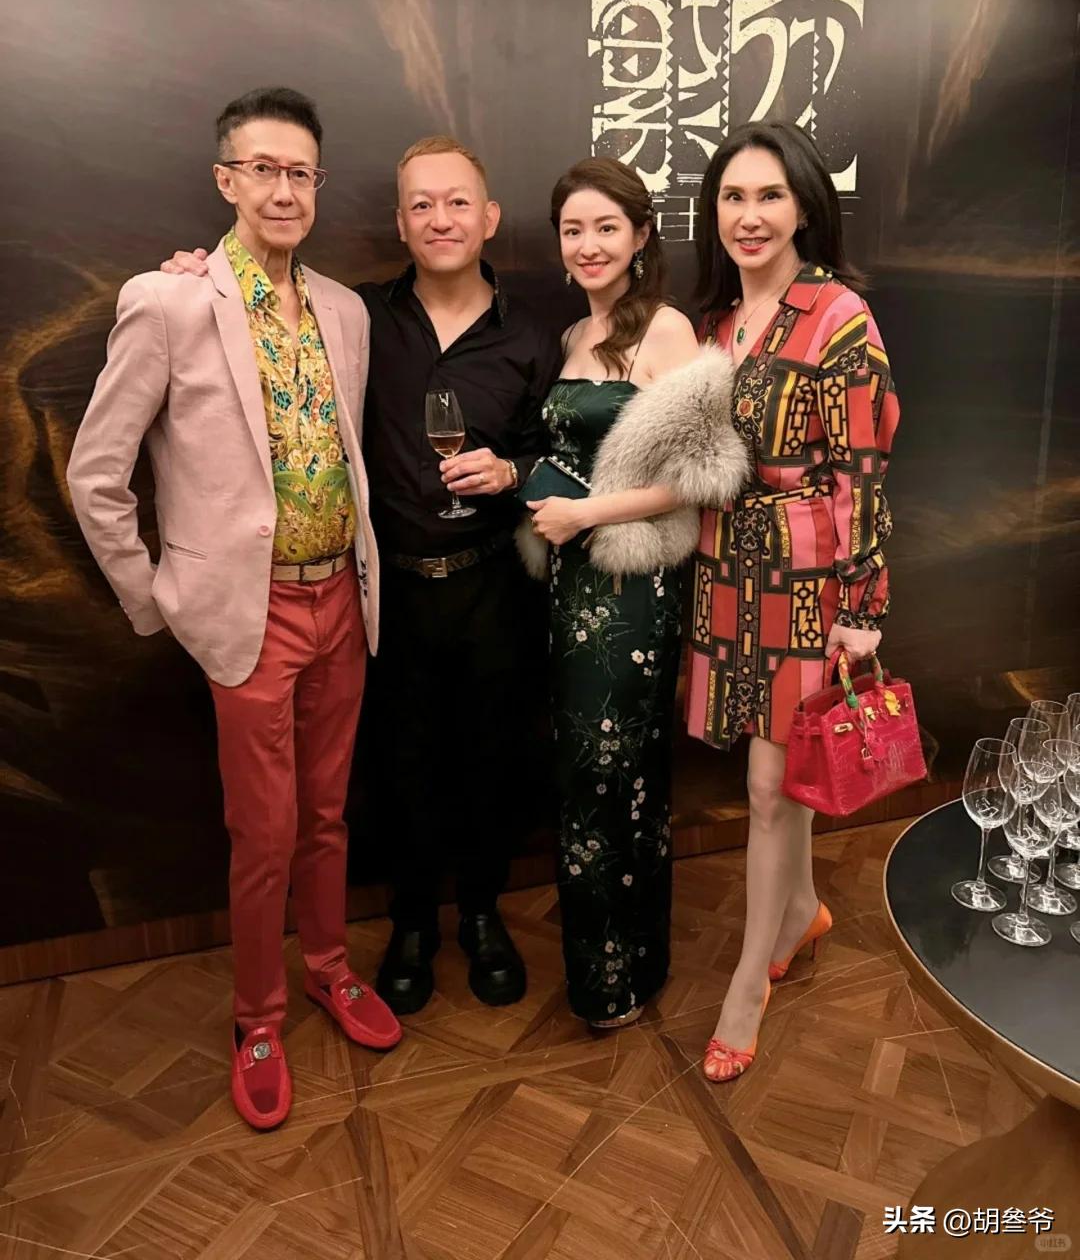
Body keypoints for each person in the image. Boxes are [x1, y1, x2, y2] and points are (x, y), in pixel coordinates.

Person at [162, 136, 559, 1016]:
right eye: (421, 204)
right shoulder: (355, 317)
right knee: (400, 767)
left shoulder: (531, 334)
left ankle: (482, 917)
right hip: (390, 590)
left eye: (458, 202)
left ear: (489, 218)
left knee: (490, 759)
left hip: (493, 584)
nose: (441, 219)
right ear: (400, 224)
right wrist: (193, 276)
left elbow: (556, 456)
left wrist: (514, 471)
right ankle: (412, 926)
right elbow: (248, 318)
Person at [68, 87, 401, 1132]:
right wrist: (157, 600)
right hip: (245, 617)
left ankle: (330, 968)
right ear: (227, 180)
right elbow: (96, 474)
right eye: (264, 169)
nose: (284, 189)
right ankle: (258, 1019)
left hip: (343, 596)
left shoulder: (344, 311)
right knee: (263, 833)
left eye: (301, 172)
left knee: (329, 815)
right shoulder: (169, 302)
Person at [684, 122, 900, 1082]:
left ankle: (745, 986)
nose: (749, 215)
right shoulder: (715, 321)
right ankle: (803, 911)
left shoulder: (840, 315)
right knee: (781, 771)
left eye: (768, 195)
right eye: (732, 197)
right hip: (725, 564)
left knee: (772, 788)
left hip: (807, 580)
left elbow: (865, 472)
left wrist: (863, 603)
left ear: (805, 205)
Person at [520, 159, 747, 1026]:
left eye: (606, 228)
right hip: (570, 583)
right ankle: (610, 972)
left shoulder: (667, 331)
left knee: (614, 772)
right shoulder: (575, 336)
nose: (588, 244)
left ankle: (621, 977)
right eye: (573, 230)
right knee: (585, 774)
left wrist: (584, 513)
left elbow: (697, 478)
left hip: (631, 587)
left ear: (642, 236)